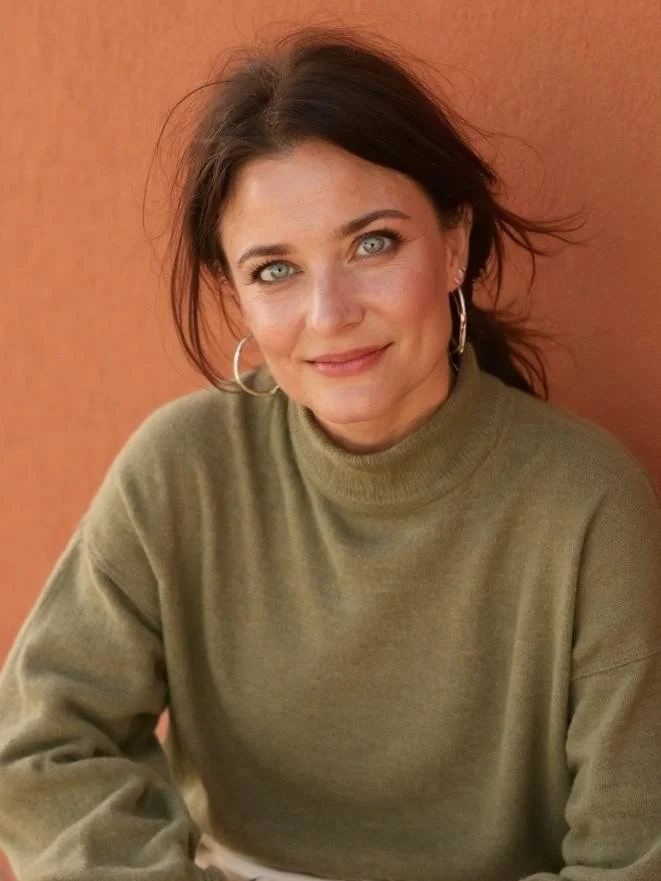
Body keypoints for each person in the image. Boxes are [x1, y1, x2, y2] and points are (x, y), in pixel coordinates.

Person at [0, 24, 660, 881]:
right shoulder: (181, 470)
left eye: (371, 243)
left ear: (453, 243)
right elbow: (41, 742)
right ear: (235, 292)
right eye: (275, 269)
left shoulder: (587, 503)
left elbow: (632, 855)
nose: (329, 310)